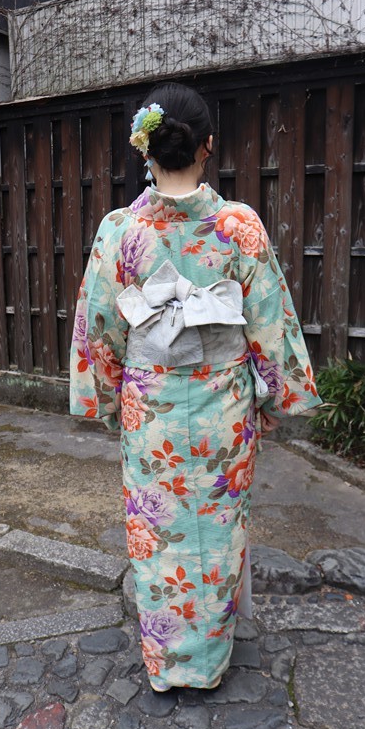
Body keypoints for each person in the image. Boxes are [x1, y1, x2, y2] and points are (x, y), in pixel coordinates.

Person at [70, 82, 322, 692]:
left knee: (156, 532)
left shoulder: (119, 230)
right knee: (218, 526)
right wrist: (273, 393)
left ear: (146, 150)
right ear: (208, 145)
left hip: (150, 411)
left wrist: (110, 398)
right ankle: (209, 661)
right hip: (223, 410)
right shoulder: (238, 225)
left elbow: (98, 328)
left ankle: (166, 665)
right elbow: (268, 319)